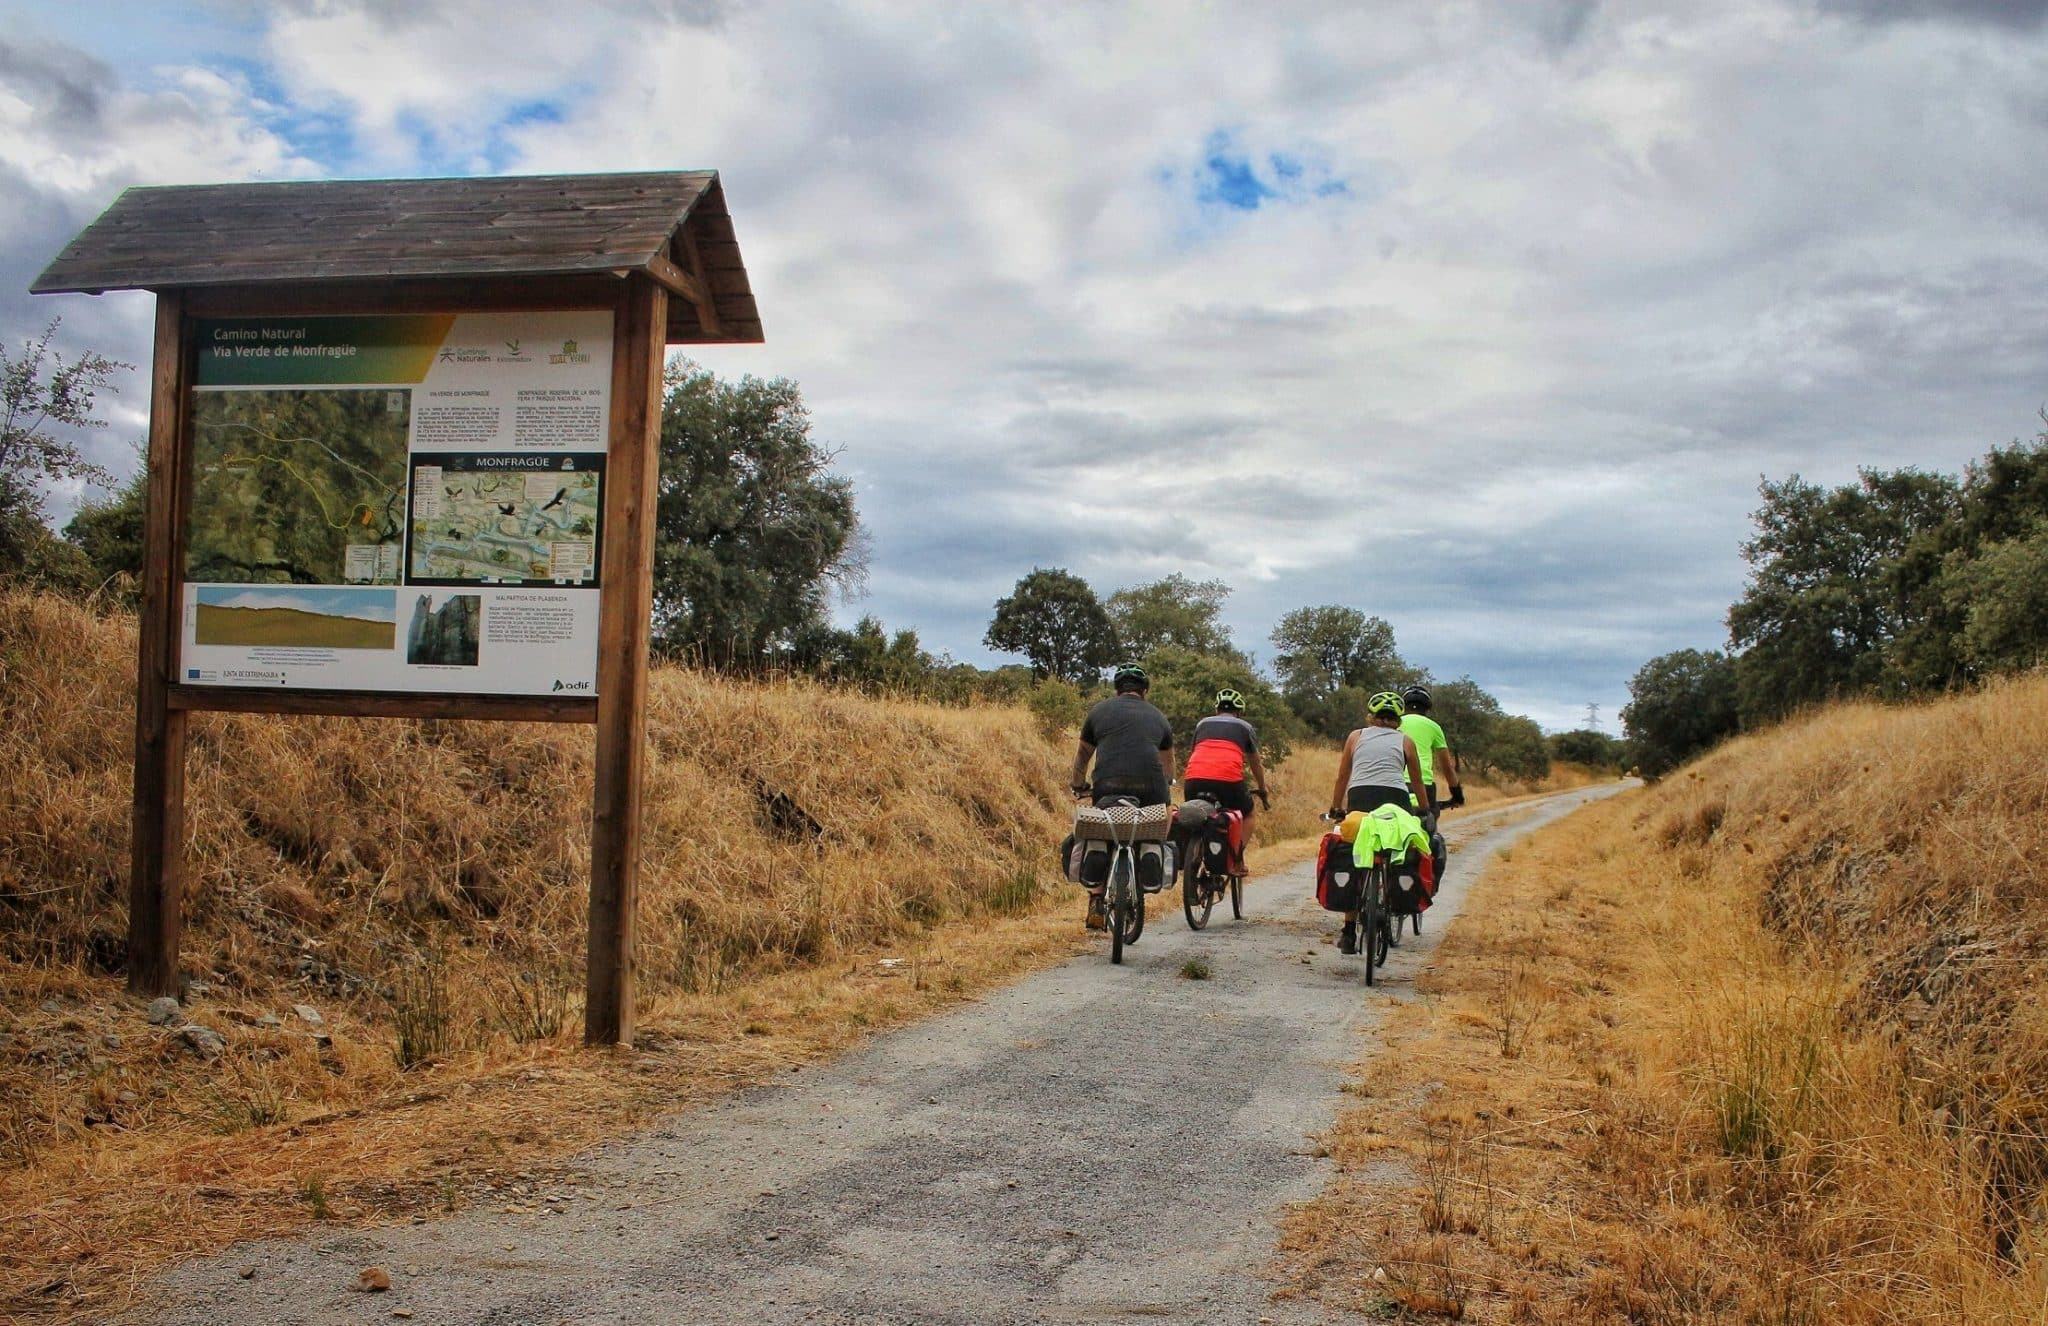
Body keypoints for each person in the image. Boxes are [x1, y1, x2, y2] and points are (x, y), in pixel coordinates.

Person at [1070, 663, 1175, 929]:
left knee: (1100, 832)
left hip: (1108, 784)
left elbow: (1082, 756)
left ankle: (1096, 898)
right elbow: (1168, 764)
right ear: (1145, 691)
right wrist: (1167, 785)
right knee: (1159, 819)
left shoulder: (1098, 712)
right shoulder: (1159, 716)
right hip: (1151, 786)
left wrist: (1078, 785)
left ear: (1117, 689)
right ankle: (1150, 853)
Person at [1326, 690, 1427, 954]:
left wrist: (1336, 808)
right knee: (1394, 849)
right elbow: (1417, 780)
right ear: (1398, 719)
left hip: (1360, 797)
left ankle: (1349, 931)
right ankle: (1391, 895)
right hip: (1396, 800)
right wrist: (1425, 809)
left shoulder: (1355, 736)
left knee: (1355, 857)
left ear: (1371, 716)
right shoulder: (1406, 741)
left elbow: (1342, 777)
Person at [1181, 688, 1271, 874]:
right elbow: (1255, 763)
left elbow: (1194, 753)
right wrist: (1262, 788)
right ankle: (1237, 860)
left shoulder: (1202, 724)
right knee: (1248, 814)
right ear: (1239, 712)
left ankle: (1193, 853)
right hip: (1228, 780)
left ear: (1217, 709)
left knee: (1195, 813)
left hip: (1193, 778)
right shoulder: (1245, 727)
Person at [1398, 685, 1464, 813]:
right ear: (1427, 708)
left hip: (1394, 782)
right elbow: (1447, 768)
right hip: (1423, 784)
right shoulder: (1434, 727)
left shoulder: (1394, 723)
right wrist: (1458, 796)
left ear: (1404, 706)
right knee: (1429, 818)